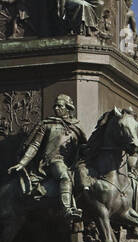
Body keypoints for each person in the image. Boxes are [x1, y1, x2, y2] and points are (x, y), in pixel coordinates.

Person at [10, 93, 86, 221]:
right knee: (64, 176)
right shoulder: (47, 124)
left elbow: (84, 146)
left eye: (59, 106)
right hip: (53, 161)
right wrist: (22, 163)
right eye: (55, 106)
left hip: (73, 163)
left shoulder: (76, 127)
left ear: (68, 108)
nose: (56, 108)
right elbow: (34, 145)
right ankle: (67, 209)